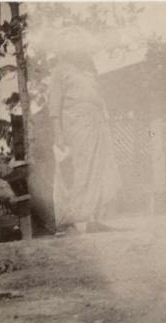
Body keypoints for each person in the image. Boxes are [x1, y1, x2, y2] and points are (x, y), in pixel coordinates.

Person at [48, 27, 121, 234]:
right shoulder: (60, 71)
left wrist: (105, 118)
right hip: (76, 127)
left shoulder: (89, 69)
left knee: (101, 169)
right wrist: (59, 133)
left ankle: (93, 218)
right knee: (83, 169)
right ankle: (77, 219)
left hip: (97, 124)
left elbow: (99, 96)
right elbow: (54, 106)